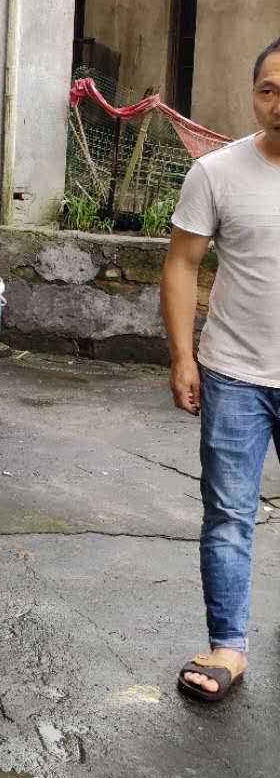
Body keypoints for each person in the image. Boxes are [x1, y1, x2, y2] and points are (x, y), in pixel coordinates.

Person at [163, 36, 280, 704]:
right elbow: (182, 263)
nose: (279, 103)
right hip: (235, 373)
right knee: (230, 515)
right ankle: (228, 646)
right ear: (254, 94)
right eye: (269, 90)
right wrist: (183, 355)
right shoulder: (216, 173)